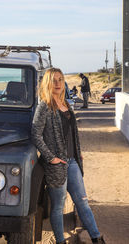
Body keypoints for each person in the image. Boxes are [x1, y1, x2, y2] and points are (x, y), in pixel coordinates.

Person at [32, 67, 105, 244]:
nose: (57, 83)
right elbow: (35, 134)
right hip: (57, 164)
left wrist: (78, 154)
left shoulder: (66, 104)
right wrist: (51, 158)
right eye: (54, 80)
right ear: (47, 83)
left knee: (82, 202)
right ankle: (60, 241)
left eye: (60, 79)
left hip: (73, 162)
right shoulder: (44, 106)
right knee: (58, 206)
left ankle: (96, 238)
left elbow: (72, 133)